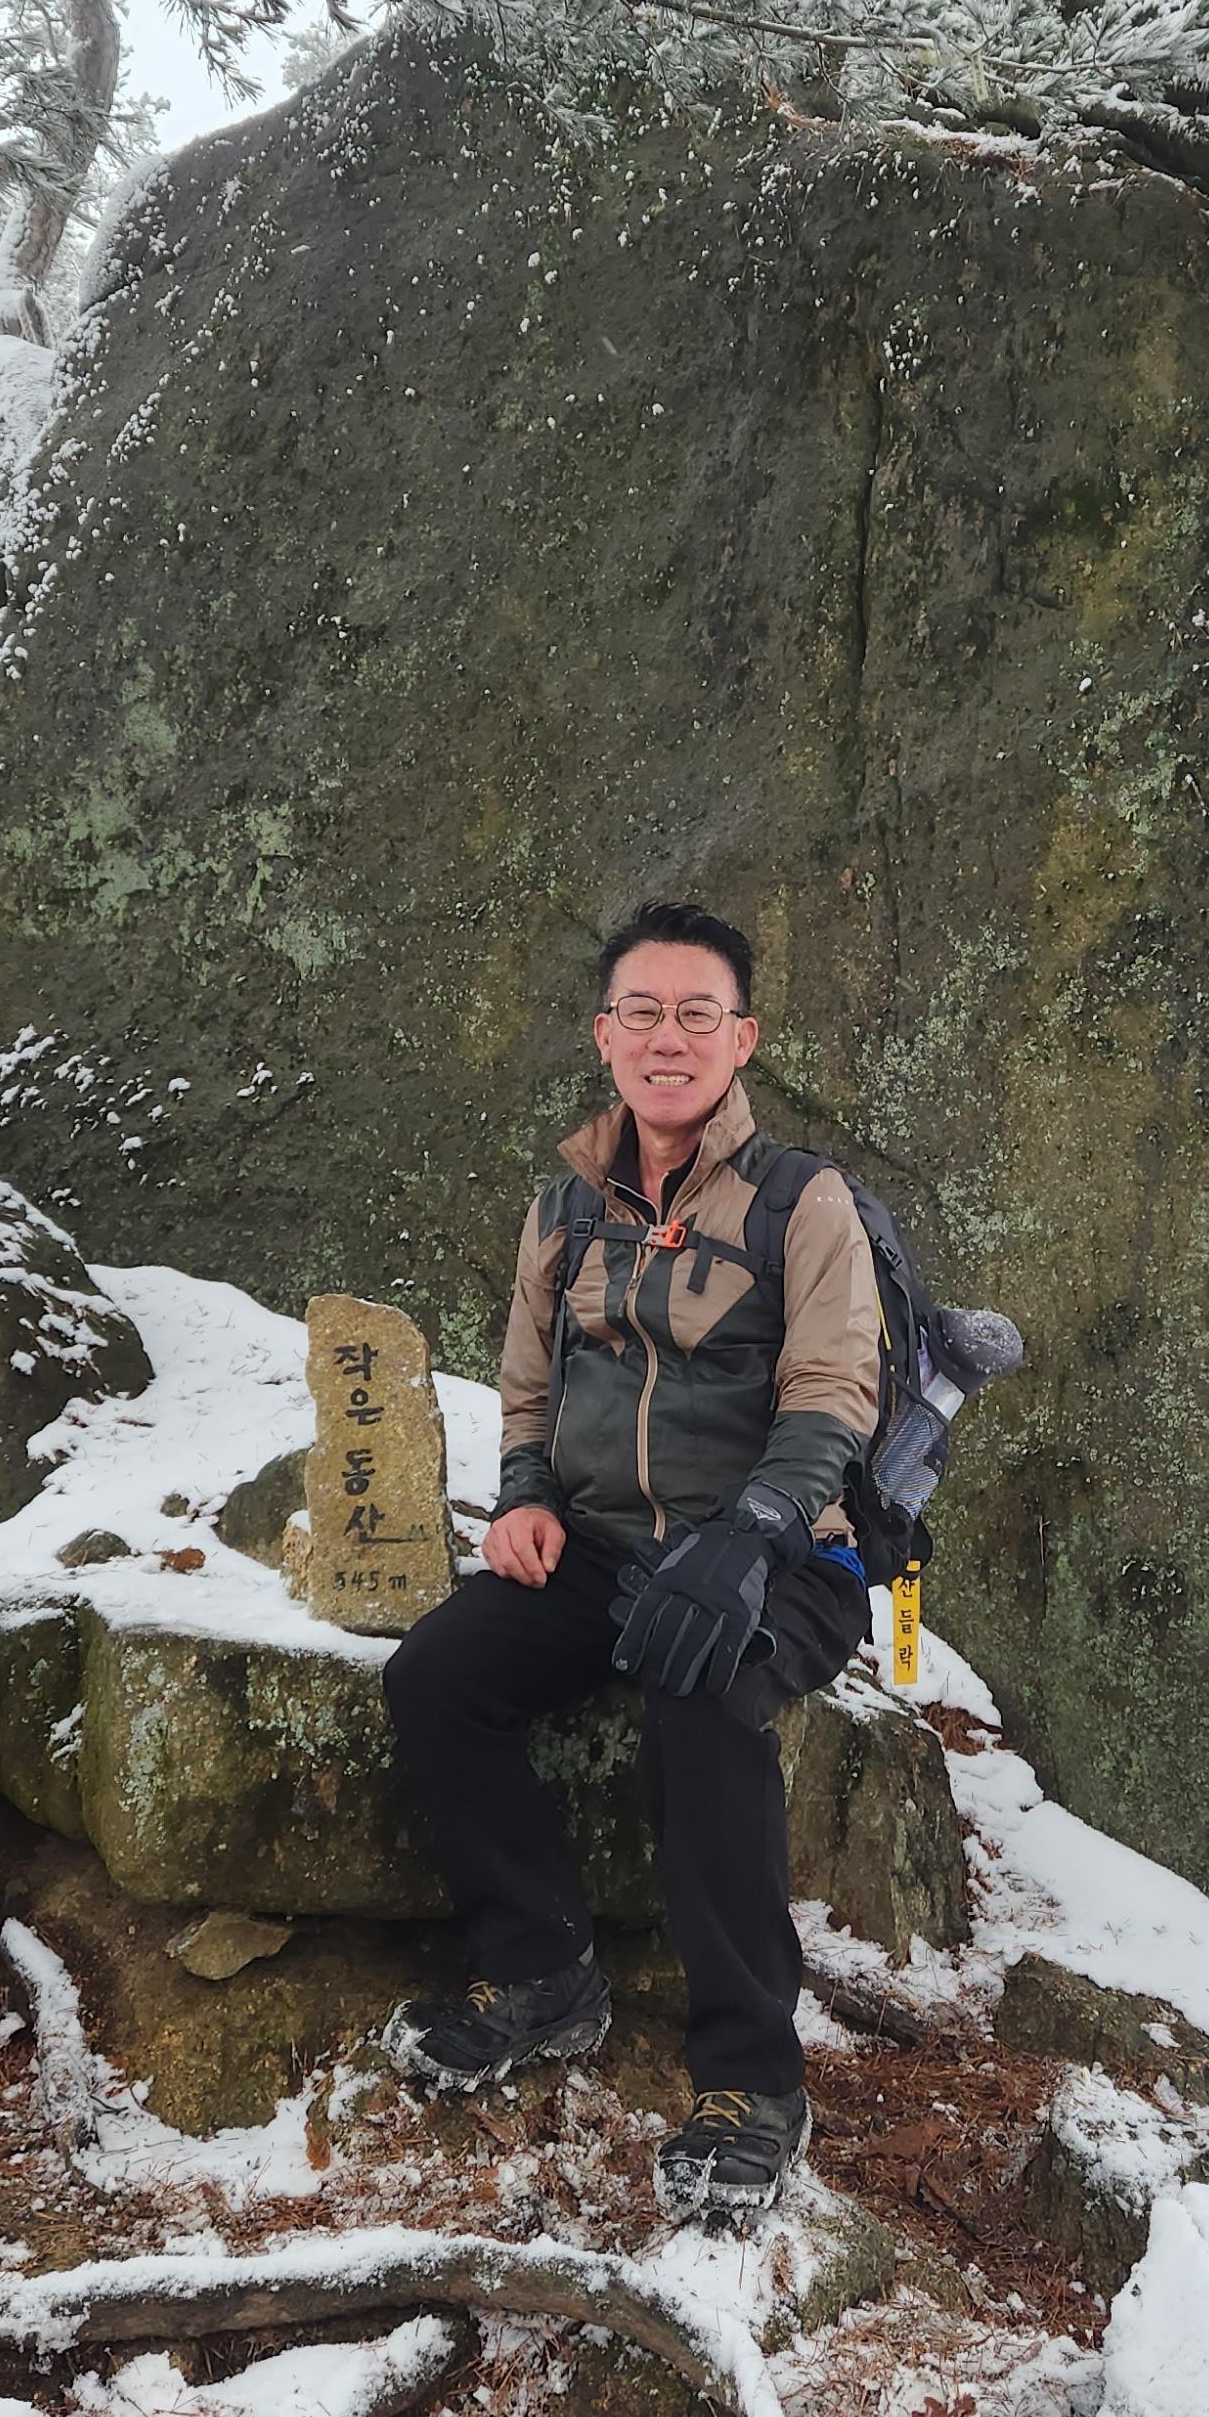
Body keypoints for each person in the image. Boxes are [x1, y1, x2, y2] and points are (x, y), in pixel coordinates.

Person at [380, 898, 880, 2218]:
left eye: (697, 1014)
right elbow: (527, 1390)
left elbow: (832, 1397)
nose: (670, 1038)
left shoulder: (801, 1202)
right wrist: (524, 1499)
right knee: (437, 1675)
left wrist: (749, 1540)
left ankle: (752, 2081)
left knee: (700, 1692)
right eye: (643, 1013)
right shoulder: (564, 1208)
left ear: (742, 1038)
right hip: (604, 1551)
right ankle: (541, 1971)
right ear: (605, 1035)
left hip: (785, 1556)